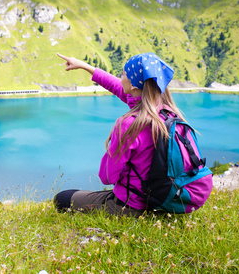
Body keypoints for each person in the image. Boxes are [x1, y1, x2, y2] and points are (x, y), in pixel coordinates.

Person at [54, 52, 185, 217]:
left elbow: (107, 176)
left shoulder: (129, 125)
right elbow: (117, 86)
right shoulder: (169, 113)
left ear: (134, 86)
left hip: (131, 205)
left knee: (62, 198)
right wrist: (84, 66)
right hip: (164, 198)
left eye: (123, 74)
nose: (120, 78)